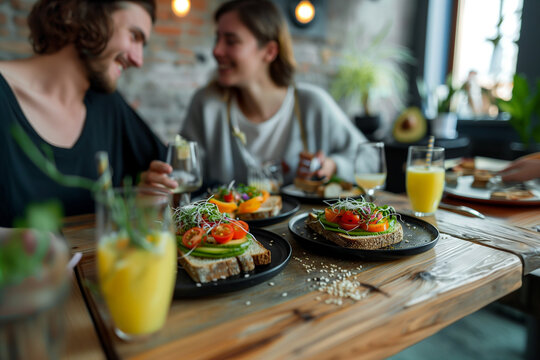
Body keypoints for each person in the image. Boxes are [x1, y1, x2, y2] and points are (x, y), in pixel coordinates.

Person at [0, 0, 177, 227]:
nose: (138, 60)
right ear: (85, 13)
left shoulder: (108, 105)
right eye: (134, 36)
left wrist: (141, 197)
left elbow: (172, 174)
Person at [180, 0, 366, 188]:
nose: (216, 50)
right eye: (217, 39)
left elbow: (371, 160)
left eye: (231, 41)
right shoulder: (207, 104)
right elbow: (182, 173)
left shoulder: (312, 104)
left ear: (269, 51)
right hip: (228, 219)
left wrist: (333, 165)